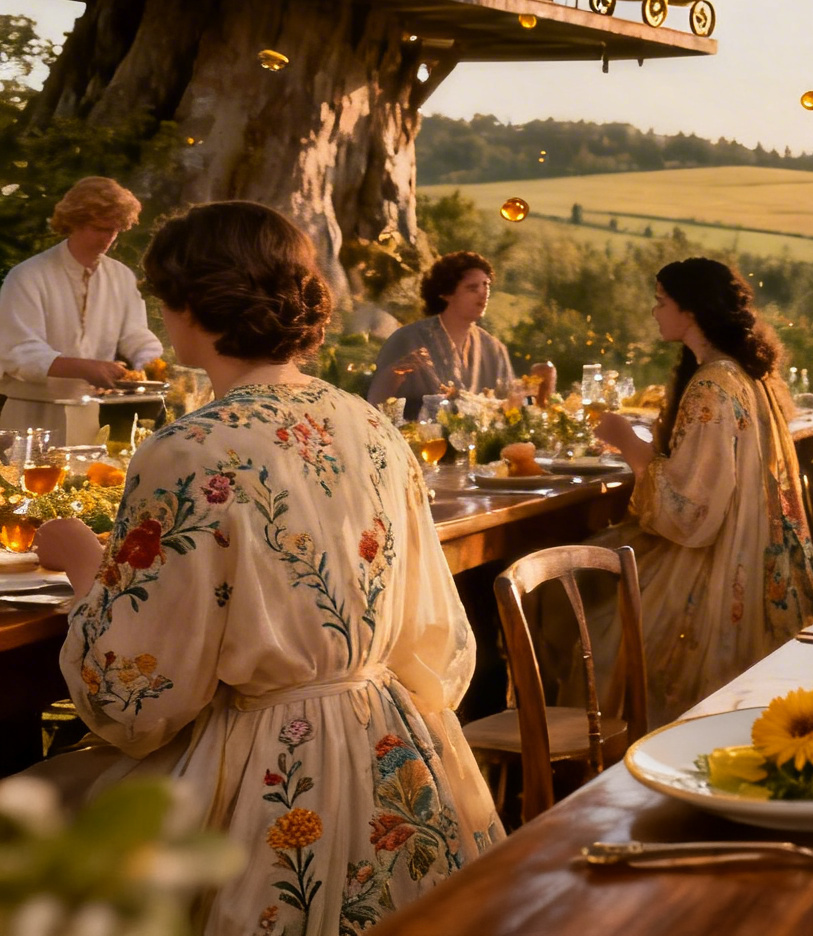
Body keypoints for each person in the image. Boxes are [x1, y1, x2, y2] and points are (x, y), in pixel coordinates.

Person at [35, 202, 501, 934]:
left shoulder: (188, 449)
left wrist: (82, 562)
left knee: (39, 832)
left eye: (163, 294)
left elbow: (140, 691)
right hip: (392, 748)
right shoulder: (369, 423)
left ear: (193, 304)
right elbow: (433, 641)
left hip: (266, 769)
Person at [590, 258, 813, 722]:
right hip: (748, 556)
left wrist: (625, 440)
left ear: (690, 310)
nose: (655, 312)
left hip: (713, 565)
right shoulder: (738, 373)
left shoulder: (712, 384)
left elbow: (690, 512)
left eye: (661, 302)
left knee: (579, 604)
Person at [0, 178, 162, 441]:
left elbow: (135, 334)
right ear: (73, 222)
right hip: (29, 414)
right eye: (99, 229)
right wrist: (84, 368)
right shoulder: (28, 276)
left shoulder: (121, 277)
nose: (108, 238)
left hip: (88, 414)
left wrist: (152, 364)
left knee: (85, 469)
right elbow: (17, 350)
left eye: (115, 230)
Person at [368, 251, 515, 411]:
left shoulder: (493, 348)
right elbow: (374, 402)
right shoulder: (407, 339)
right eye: (472, 288)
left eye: (486, 285)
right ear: (446, 293)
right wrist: (398, 371)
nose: (484, 293)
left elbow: (510, 404)